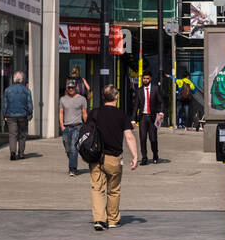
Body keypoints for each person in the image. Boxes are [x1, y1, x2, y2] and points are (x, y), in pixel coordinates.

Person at [88, 84, 139, 230]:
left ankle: (99, 219)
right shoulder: (121, 115)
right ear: (116, 97)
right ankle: (112, 220)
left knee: (97, 188)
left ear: (103, 97)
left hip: (96, 156)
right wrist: (135, 156)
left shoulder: (94, 113)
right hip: (114, 158)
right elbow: (129, 137)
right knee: (114, 189)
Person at [59, 79, 88, 175]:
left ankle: (73, 169)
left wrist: (87, 125)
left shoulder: (82, 99)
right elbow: (61, 113)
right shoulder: (62, 99)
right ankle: (72, 162)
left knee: (73, 147)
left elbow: (84, 114)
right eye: (69, 87)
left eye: (72, 87)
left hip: (77, 126)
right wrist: (62, 126)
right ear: (67, 88)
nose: (71, 89)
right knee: (68, 148)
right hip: (66, 127)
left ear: (76, 88)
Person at [3, 71, 33, 161]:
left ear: (13, 79)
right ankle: (21, 154)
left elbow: (5, 104)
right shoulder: (26, 90)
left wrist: (4, 114)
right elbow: (30, 104)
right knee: (22, 135)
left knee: (12, 134)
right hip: (23, 115)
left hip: (11, 115)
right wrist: (30, 114)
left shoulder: (7, 90)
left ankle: (12, 152)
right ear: (22, 79)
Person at [134, 71, 163, 164]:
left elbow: (161, 102)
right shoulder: (139, 90)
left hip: (153, 117)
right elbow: (136, 106)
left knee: (153, 138)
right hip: (143, 117)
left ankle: (155, 155)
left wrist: (161, 112)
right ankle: (144, 157)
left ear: (150, 79)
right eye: (144, 78)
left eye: (147, 78)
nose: (145, 80)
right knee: (142, 138)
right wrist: (133, 119)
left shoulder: (155, 89)